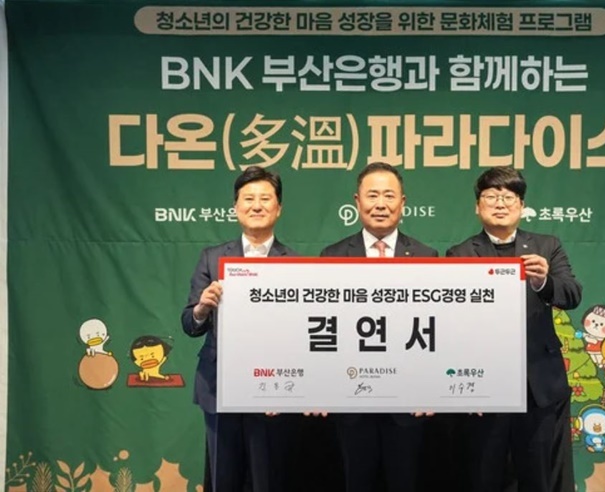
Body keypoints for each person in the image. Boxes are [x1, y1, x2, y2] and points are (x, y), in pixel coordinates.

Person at [447, 167, 582, 492]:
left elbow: (572, 294)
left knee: (540, 477)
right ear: (477, 207)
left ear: (522, 206)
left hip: (538, 385)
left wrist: (543, 282)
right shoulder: (460, 253)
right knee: (486, 475)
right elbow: (453, 322)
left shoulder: (547, 246)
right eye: (491, 196)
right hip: (485, 387)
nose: (500, 203)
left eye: (509, 197)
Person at [320, 162, 438, 492]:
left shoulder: (426, 256)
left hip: (409, 400)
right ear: (357, 202)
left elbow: (434, 327)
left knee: (405, 481)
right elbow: (325, 325)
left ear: (403, 203)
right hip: (351, 397)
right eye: (372, 195)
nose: (381, 204)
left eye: (389, 195)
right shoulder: (333, 257)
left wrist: (430, 387)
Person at [181, 166, 299, 492]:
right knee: (224, 479)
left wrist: (286, 387)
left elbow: (300, 335)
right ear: (235, 207)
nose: (256, 205)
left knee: (267, 480)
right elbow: (190, 323)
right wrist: (202, 308)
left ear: (278, 208)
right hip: (220, 387)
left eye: (265, 198)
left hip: (272, 391)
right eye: (248, 198)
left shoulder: (295, 262)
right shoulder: (212, 258)